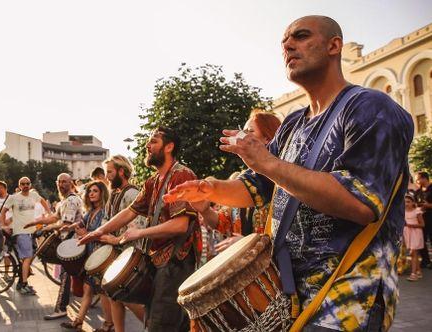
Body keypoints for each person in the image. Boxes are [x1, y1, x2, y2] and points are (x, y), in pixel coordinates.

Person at [164, 16, 413, 331]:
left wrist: (266, 161)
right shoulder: (294, 122)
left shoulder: (371, 107)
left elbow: (359, 202)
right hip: (287, 291)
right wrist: (211, 189)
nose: (288, 46)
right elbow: (263, 187)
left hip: (347, 296)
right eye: (284, 42)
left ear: (334, 45)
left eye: (301, 36)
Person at [80, 127, 201, 332]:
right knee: (166, 322)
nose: (148, 145)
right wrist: (99, 231)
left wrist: (139, 233)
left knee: (160, 324)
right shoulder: (152, 182)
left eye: (154, 141)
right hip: (159, 261)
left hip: (176, 261)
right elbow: (131, 211)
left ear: (169, 147)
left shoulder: (182, 175)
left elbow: (181, 225)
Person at [196, 112, 281, 252]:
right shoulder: (242, 179)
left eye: (250, 131)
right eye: (243, 132)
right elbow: (222, 222)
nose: (242, 137)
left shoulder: (282, 178)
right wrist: (205, 210)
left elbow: (292, 235)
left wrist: (248, 243)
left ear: (267, 138)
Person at [98, 155, 147, 332]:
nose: (107, 176)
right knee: (115, 297)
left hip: (130, 254)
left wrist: (114, 239)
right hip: (118, 253)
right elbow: (106, 220)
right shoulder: (114, 195)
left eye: (109, 172)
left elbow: (138, 229)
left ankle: (155, 327)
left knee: (127, 298)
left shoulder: (133, 193)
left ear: (121, 171)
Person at [25, 173, 83, 320]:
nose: (61, 184)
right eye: (59, 182)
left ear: (71, 183)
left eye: (65, 182)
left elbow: (66, 224)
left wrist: (45, 229)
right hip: (70, 243)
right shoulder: (63, 201)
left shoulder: (71, 201)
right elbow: (55, 217)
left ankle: (61, 308)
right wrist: (35, 223)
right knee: (72, 274)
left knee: (66, 274)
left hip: (72, 243)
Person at [60, 181, 109, 330]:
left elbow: (105, 234)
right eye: (89, 191)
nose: (91, 193)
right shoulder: (91, 212)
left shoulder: (104, 212)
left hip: (101, 256)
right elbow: (80, 223)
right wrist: (70, 226)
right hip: (90, 256)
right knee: (90, 289)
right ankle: (80, 321)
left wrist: (86, 234)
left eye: (95, 191)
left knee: (103, 292)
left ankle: (109, 323)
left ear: (102, 193)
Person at [0, 177, 42, 295]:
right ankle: (24, 284)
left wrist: (49, 213)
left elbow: (43, 201)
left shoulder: (33, 196)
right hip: (20, 232)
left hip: (30, 232)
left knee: (26, 259)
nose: (25, 185)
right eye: (22, 184)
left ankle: (20, 282)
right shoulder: (14, 197)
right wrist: (3, 225)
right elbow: (3, 212)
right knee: (27, 258)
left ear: (30, 184)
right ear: (19, 185)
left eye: (27, 183)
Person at [404, 194, 425, 282]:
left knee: (413, 253)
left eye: (408, 202)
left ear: (413, 202)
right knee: (413, 253)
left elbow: (422, 224)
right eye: (405, 202)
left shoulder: (417, 211)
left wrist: (411, 225)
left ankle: (413, 274)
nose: (406, 204)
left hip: (415, 233)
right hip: (407, 233)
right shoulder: (403, 211)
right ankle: (419, 271)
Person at [415, 171, 432, 268]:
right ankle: (426, 261)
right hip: (422, 218)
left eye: (418, 178)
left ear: (424, 178)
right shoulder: (419, 191)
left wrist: (428, 205)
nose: (417, 181)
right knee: (421, 239)